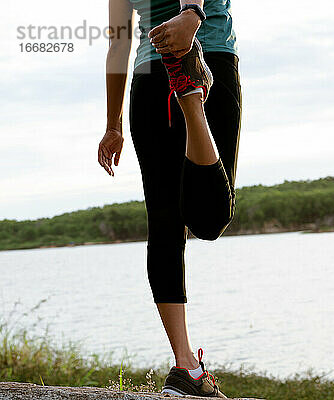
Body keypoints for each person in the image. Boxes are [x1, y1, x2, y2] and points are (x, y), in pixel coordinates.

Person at [97, 0, 241, 397]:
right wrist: (192, 15)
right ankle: (192, 100)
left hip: (149, 78)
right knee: (210, 220)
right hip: (207, 56)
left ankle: (186, 367)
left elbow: (119, 44)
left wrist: (113, 125)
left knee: (164, 224)